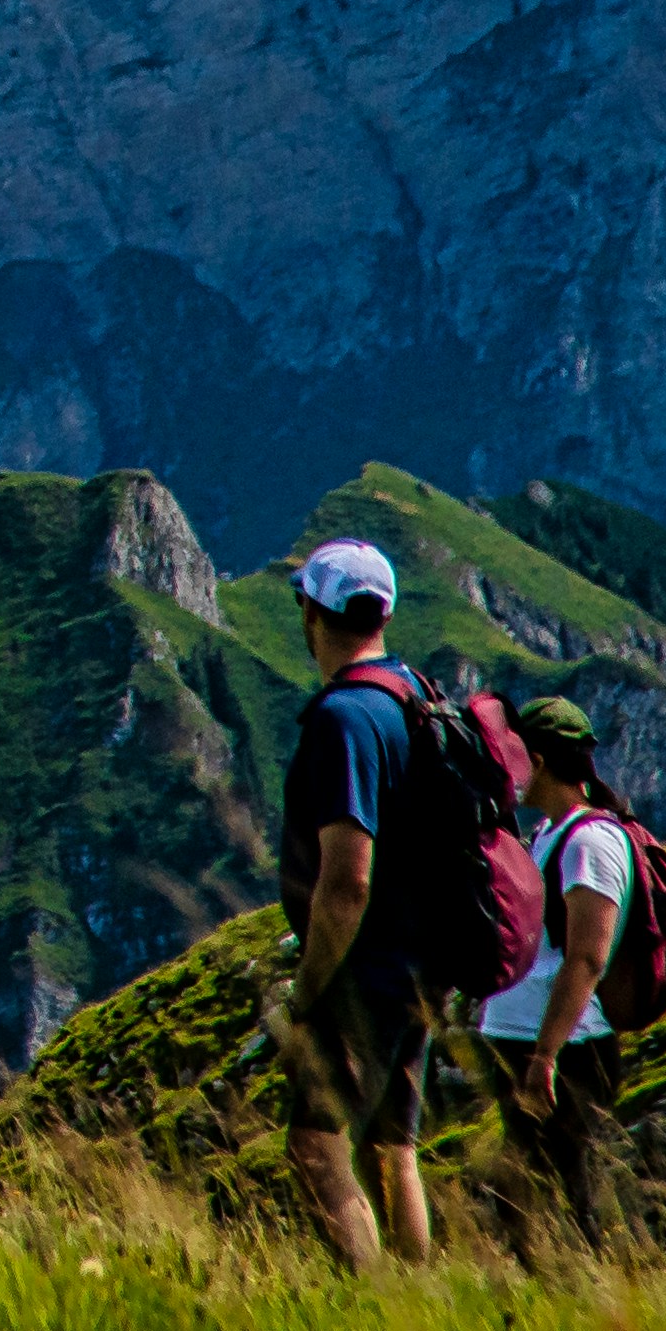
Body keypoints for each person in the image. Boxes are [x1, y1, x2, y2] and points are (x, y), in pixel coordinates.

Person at [274, 535, 436, 1272]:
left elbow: (348, 881)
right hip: (421, 960)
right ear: (385, 614)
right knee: (392, 1148)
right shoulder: (414, 694)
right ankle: (418, 1301)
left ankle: (369, 1303)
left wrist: (310, 990)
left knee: (317, 1143)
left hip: (366, 970)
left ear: (312, 613)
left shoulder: (346, 718)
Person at [471, 692, 634, 1248]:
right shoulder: (549, 834)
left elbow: (587, 957)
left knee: (560, 1191)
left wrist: (546, 1055)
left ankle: (579, 1278)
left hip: (564, 1048)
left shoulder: (590, 842)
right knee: (524, 1190)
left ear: (537, 761)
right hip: (522, 1037)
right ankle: (549, 1281)